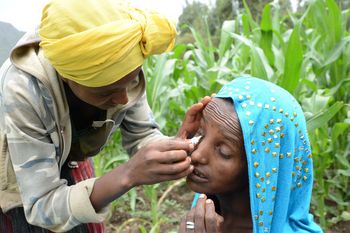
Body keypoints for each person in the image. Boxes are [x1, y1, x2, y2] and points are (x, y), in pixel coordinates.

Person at [0, 0, 209, 232]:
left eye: (130, 83)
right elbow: (42, 205)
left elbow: (142, 136)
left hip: (71, 152)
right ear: (67, 78)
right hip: (23, 169)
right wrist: (129, 174)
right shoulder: (25, 88)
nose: (124, 99)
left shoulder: (121, 56)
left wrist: (177, 145)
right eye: (106, 92)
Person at [179, 77, 323, 233]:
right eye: (200, 133)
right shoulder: (204, 218)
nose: (197, 155)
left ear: (263, 168)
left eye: (224, 152)